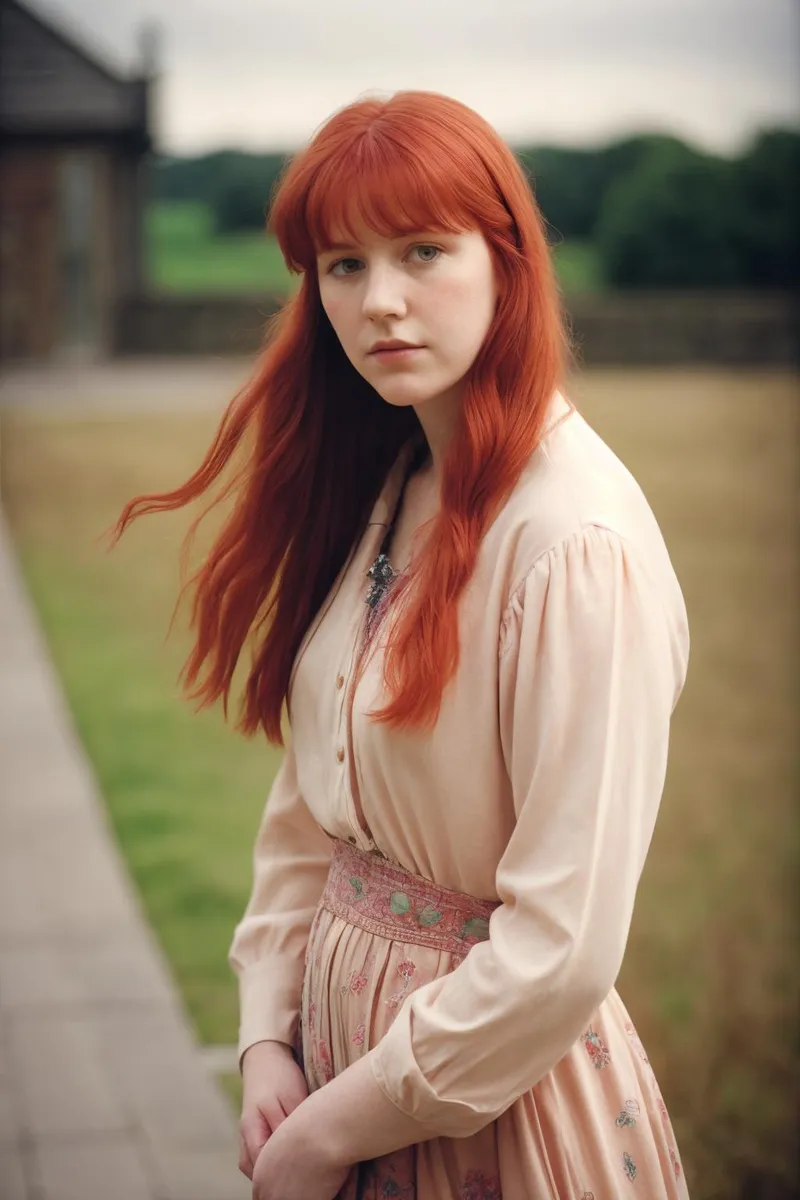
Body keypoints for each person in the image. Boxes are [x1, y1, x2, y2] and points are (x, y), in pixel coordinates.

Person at [114, 91, 691, 1199]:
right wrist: (265, 1041)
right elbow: (310, 808)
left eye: (422, 252)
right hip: (333, 1077)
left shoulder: (573, 544)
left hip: (491, 1113)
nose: (380, 302)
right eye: (342, 265)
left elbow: (560, 952)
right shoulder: (398, 477)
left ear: (506, 261)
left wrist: (336, 1129)